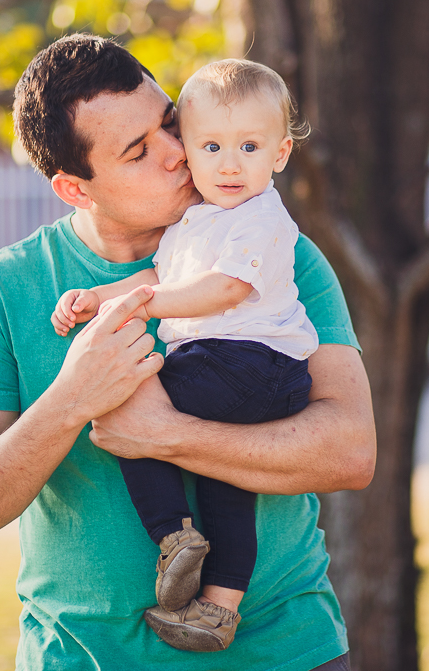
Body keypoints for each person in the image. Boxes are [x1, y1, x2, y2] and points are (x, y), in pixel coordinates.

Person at [0, 33, 374, 671]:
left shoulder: (277, 253)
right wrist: (71, 400)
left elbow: (351, 451)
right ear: (76, 189)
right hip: (84, 658)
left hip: (283, 652)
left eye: (170, 125)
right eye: (138, 151)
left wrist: (166, 434)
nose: (178, 155)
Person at [50, 59, 318, 652]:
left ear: (280, 154)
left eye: (250, 146)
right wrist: (97, 297)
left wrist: (145, 305)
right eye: (210, 146)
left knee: (127, 402)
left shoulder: (262, 218)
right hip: (236, 370)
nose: (229, 164)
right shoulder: (198, 220)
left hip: (255, 365)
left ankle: (174, 535)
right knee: (230, 484)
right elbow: (158, 271)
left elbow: (224, 289)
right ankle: (217, 610)